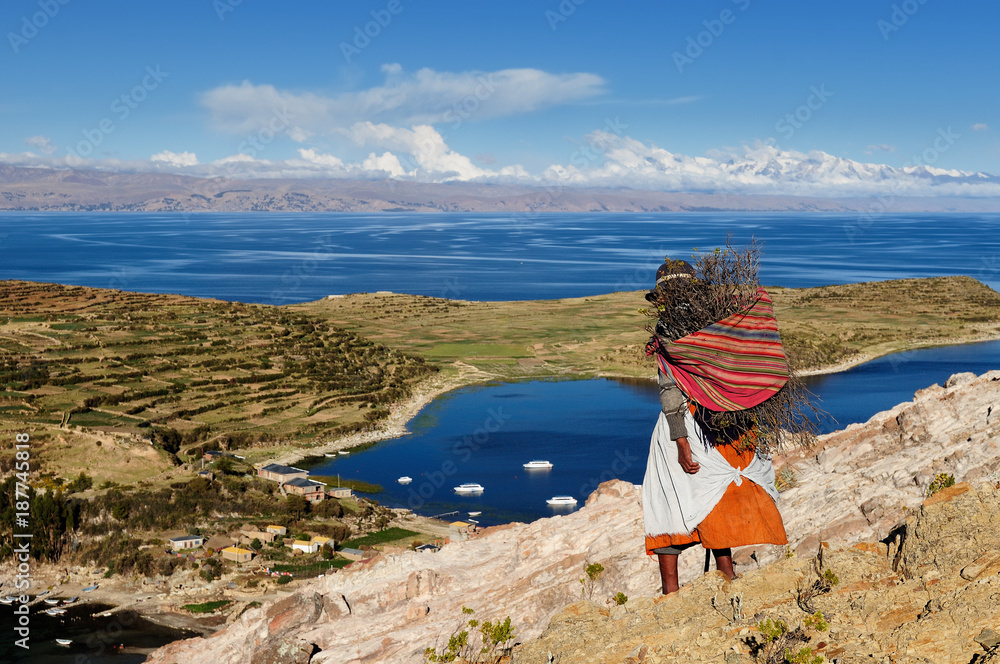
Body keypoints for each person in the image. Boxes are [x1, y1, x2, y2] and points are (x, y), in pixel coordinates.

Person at [641, 260, 788, 595]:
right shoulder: (720, 323)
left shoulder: (667, 331)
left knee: (670, 499)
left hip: (687, 426)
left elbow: (670, 391)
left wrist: (680, 442)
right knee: (715, 496)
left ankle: (673, 591)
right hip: (725, 420)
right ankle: (726, 576)